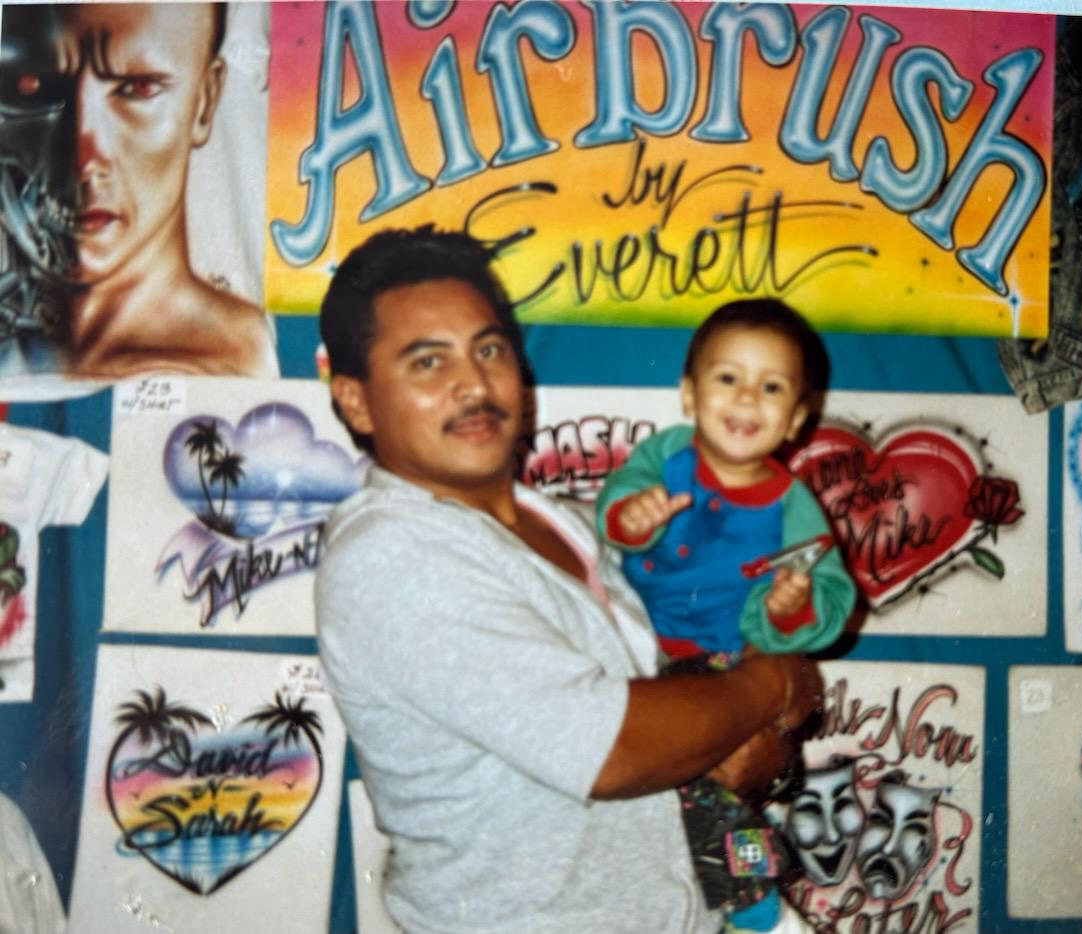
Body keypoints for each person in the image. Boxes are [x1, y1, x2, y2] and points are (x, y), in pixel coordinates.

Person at [314, 224, 824, 934]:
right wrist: (771, 685)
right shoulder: (390, 554)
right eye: (428, 362)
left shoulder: (562, 521)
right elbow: (611, 747)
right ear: (356, 399)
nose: (474, 383)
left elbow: (677, 703)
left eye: (489, 349)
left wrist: (742, 739)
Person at [595, 299, 856, 931]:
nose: (746, 399)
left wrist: (792, 609)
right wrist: (630, 519)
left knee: (703, 790)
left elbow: (833, 599)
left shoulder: (792, 507)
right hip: (631, 649)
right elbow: (618, 498)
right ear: (688, 395)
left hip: (719, 659)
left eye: (771, 387)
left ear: (797, 417)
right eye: (727, 378)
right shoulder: (666, 456)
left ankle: (756, 908)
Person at [39, 3, 275, 379]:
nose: (86, 159)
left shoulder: (236, 353)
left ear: (206, 100)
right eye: (43, 88)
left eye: (138, 88)